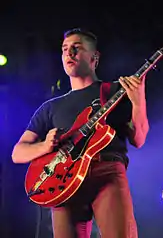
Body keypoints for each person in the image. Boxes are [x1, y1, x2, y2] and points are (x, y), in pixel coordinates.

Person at [12, 28, 149, 238]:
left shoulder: (114, 91)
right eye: (65, 49)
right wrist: (45, 146)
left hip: (106, 171)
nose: (69, 53)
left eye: (77, 48)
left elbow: (138, 139)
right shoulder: (50, 107)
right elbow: (17, 153)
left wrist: (139, 102)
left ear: (95, 57)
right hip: (63, 180)